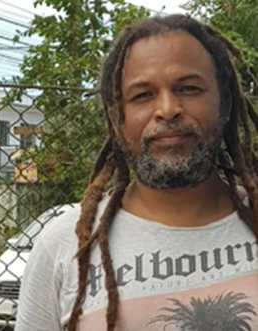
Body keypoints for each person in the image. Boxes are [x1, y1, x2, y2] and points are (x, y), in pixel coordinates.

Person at [16, 14, 258, 331]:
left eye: (188, 88)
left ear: (224, 104)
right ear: (117, 118)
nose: (168, 108)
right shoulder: (65, 245)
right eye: (143, 95)